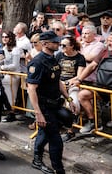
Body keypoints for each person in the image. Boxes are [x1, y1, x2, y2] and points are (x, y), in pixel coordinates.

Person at [27, 31, 76, 174]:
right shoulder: (37, 62)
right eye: (54, 42)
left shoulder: (53, 58)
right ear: (44, 43)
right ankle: (58, 169)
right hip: (44, 107)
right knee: (56, 139)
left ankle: (37, 160)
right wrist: (38, 114)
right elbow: (31, 89)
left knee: (43, 134)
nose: (57, 44)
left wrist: (69, 99)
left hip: (55, 104)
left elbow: (58, 81)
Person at [56, 35, 86, 142]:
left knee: (72, 105)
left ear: (72, 46)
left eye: (64, 45)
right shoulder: (59, 55)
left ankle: (70, 131)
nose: (61, 47)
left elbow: (79, 75)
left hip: (72, 86)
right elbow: (56, 71)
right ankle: (58, 127)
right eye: (60, 45)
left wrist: (68, 82)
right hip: (59, 85)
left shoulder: (80, 58)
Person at [0, 31, 21, 122]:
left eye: (6, 37)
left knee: (12, 95)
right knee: (6, 93)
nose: (4, 38)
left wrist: (4, 67)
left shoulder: (16, 50)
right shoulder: (4, 48)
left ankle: (11, 113)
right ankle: (8, 111)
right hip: (6, 74)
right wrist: (1, 60)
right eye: (3, 36)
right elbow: (2, 62)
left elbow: (15, 65)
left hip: (14, 75)